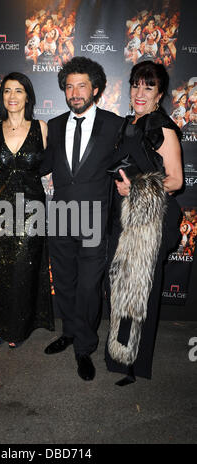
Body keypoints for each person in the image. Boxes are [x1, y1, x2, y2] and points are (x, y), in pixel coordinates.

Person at [41, 56, 123, 381]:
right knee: (64, 283)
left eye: (82, 86)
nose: (75, 92)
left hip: (93, 220)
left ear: (96, 88)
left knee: (89, 288)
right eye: (70, 86)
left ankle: (84, 348)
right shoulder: (56, 124)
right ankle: (70, 332)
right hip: (60, 217)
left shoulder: (115, 125)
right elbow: (44, 164)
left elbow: (127, 166)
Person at [105, 60, 183, 385]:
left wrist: (135, 188)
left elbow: (176, 180)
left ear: (159, 93)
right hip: (123, 218)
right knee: (120, 289)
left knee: (139, 294)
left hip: (148, 224)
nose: (140, 92)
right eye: (136, 85)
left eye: (148, 86)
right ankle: (119, 354)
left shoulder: (160, 127)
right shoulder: (128, 124)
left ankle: (133, 364)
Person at [0, 72, 54, 347]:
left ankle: (19, 328)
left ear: (28, 97)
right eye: (7, 91)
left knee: (24, 269)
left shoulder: (41, 128)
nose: (12, 96)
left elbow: (52, 170)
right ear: (1, 97)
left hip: (31, 209)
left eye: (18, 90)